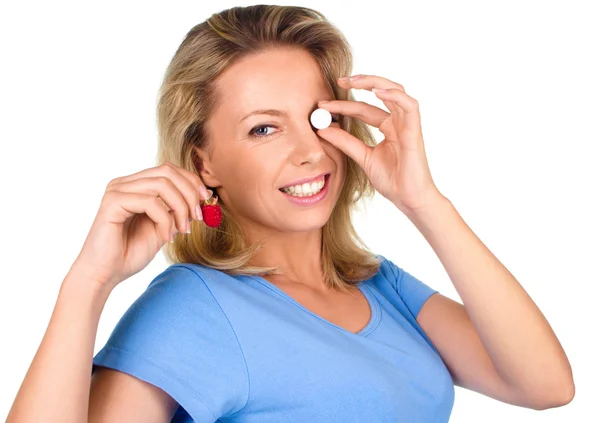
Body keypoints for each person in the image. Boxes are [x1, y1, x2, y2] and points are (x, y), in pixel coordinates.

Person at [7, 5, 575, 423]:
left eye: (319, 118)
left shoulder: (380, 285)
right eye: (263, 128)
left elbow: (546, 386)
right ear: (204, 160)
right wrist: (88, 282)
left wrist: (423, 201)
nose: (309, 150)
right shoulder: (197, 307)